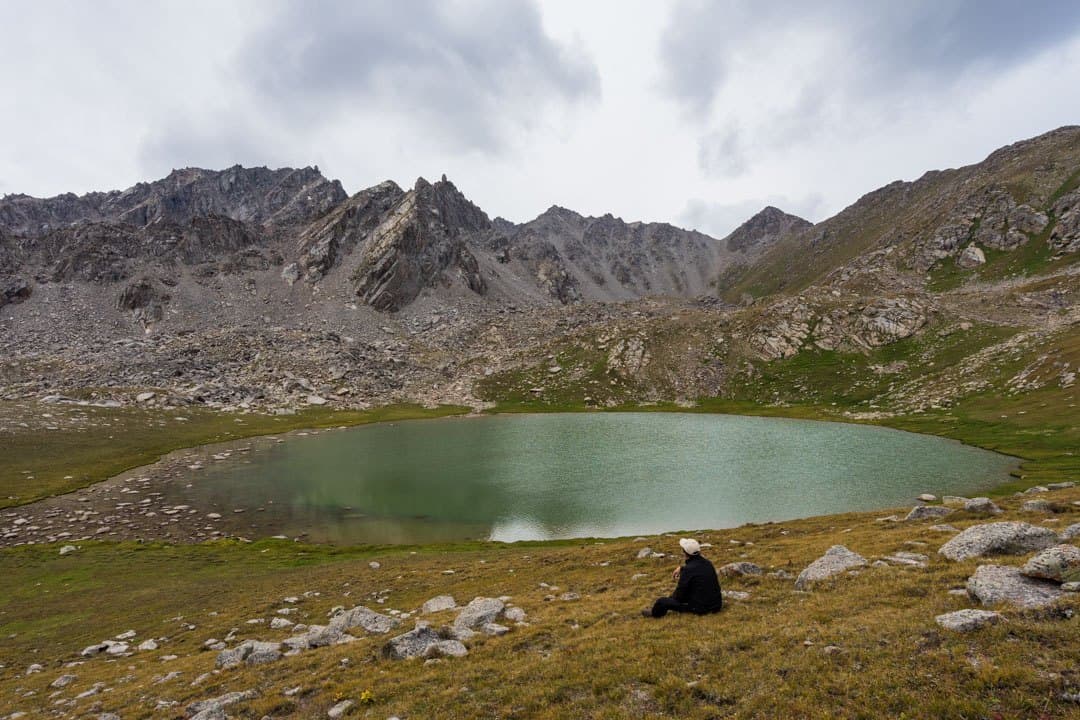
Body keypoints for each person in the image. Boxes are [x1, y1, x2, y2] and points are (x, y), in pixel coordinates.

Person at [641, 538, 723, 618]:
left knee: (661, 601)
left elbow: (679, 596)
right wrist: (682, 568)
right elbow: (696, 570)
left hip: (701, 608)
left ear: (685, 552)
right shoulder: (707, 563)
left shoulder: (688, 570)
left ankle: (654, 613)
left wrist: (670, 600)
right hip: (716, 605)